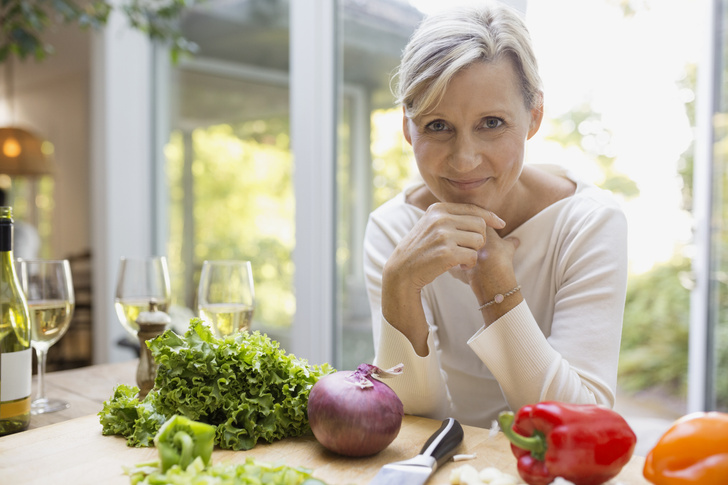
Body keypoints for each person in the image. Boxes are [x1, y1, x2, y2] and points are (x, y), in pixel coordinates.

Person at [363, 2, 628, 428]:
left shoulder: (589, 224)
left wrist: (495, 284)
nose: (464, 160)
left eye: (491, 122)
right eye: (437, 125)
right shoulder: (393, 230)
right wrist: (400, 283)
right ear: (408, 128)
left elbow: (580, 424)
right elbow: (409, 417)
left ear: (534, 116)